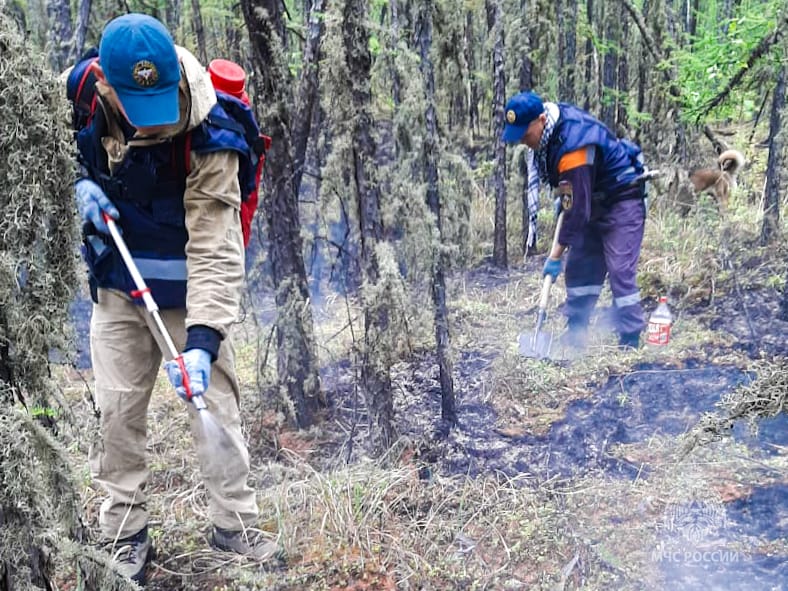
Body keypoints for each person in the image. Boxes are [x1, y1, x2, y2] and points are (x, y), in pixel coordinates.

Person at [72, 13, 278, 585]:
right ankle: (124, 533)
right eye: (142, 105)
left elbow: (217, 245)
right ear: (108, 86)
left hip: (191, 295)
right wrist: (76, 184)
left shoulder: (212, 130)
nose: (160, 119)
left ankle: (234, 525)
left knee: (218, 409)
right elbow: (44, 146)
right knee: (115, 413)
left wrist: (204, 343)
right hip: (118, 286)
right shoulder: (81, 92)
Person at [502, 90, 646, 349]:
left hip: (621, 199)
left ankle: (630, 339)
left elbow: (577, 210)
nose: (524, 141)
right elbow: (572, 197)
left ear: (542, 120)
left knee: (620, 270)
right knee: (580, 267)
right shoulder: (551, 136)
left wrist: (554, 256)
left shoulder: (573, 145)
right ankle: (576, 333)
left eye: (526, 134)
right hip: (590, 198)